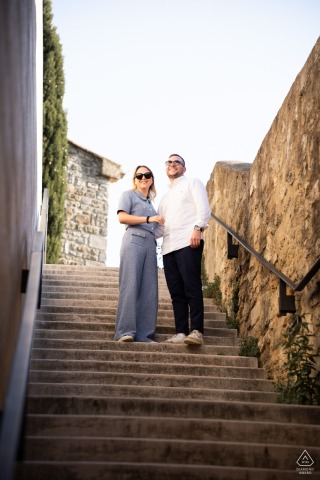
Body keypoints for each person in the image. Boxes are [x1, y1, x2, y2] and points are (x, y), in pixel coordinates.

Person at [158, 153, 211, 345]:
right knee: (176, 292)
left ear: (184, 168)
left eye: (177, 162)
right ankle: (181, 332)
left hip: (189, 241)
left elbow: (203, 208)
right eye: (169, 162)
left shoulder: (192, 183)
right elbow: (159, 227)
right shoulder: (163, 198)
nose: (172, 164)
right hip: (168, 248)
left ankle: (196, 331)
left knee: (192, 286)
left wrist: (198, 229)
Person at [114, 165, 165, 343]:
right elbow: (122, 218)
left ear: (152, 179)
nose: (143, 178)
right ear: (135, 180)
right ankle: (125, 332)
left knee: (149, 290)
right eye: (139, 175)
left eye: (147, 175)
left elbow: (159, 228)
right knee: (130, 286)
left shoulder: (151, 204)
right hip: (133, 240)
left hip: (150, 244)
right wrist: (149, 219)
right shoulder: (128, 195)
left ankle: (145, 335)